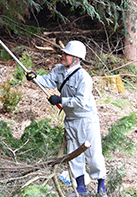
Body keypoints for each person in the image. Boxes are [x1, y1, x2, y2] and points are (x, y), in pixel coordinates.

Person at [26, 40, 107, 196]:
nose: (62, 56)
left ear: (76, 58)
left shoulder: (84, 77)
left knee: (94, 155)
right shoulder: (59, 70)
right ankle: (81, 189)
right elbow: (48, 81)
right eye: (63, 53)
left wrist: (61, 100)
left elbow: (81, 101)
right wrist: (35, 77)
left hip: (86, 119)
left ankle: (101, 189)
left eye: (66, 54)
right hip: (70, 119)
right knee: (73, 153)